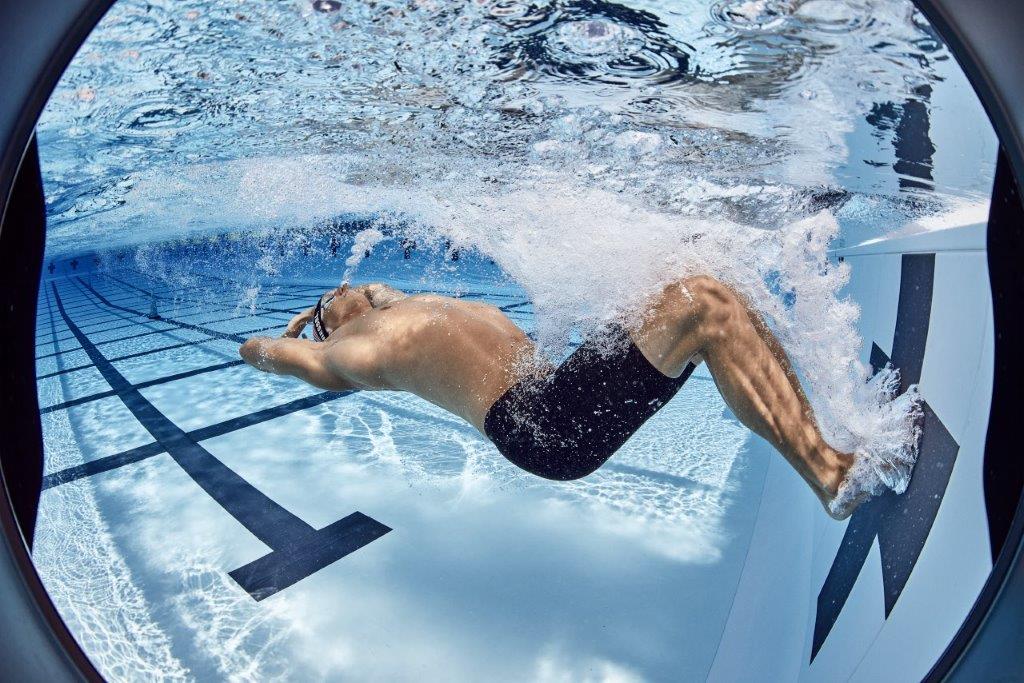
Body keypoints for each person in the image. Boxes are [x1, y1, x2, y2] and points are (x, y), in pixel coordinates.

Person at [239, 277, 865, 519]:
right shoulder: (343, 354)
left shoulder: (400, 312)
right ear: (326, 321)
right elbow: (255, 351)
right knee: (703, 308)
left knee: (703, 285)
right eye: (331, 296)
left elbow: (382, 295)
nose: (346, 285)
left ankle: (832, 450)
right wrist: (292, 331)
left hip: (555, 390)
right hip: (538, 425)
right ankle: (831, 476)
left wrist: (368, 295)